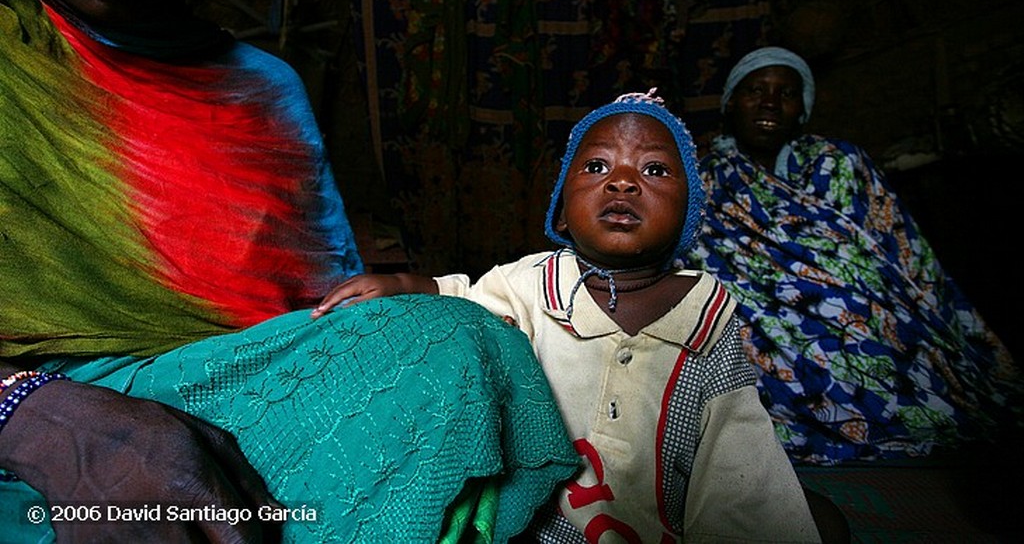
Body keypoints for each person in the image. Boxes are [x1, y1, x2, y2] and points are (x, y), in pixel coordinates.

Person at [0, 0, 576, 541]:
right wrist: (34, 411)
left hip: (234, 398)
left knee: (453, 340)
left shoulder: (261, 88)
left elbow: (322, 314)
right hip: (30, 426)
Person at [316, 90, 827, 542]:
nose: (622, 183)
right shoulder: (533, 284)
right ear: (562, 212)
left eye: (654, 170)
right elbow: (464, 307)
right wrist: (406, 286)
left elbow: (736, 467)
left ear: (689, 216)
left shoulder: (706, 321)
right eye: (597, 167)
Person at [686, 46, 1024, 465]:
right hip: (761, 316)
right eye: (755, 89)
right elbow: (696, 257)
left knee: (875, 331)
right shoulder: (706, 179)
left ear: (803, 109)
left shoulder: (840, 161)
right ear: (731, 103)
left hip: (859, 304)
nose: (770, 102)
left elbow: (896, 246)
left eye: (786, 93)